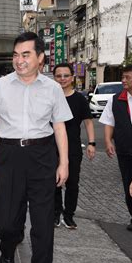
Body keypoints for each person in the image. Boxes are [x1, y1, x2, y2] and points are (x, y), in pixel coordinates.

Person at [0, 32, 72, 263]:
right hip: (9, 154)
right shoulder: (0, 85)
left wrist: (63, 163)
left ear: (40, 58)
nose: (19, 60)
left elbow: (60, 127)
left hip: (42, 155)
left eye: (26, 54)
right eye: (16, 55)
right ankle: (7, 247)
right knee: (7, 221)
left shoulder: (53, 88)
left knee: (42, 224)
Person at [99, 64, 132, 232]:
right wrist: (108, 141)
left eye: (128, 78)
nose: (123, 80)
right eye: (123, 77)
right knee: (128, 183)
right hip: (124, 149)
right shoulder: (116, 99)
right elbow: (109, 122)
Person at [53, 63, 96, 229]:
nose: (62, 79)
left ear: (72, 77)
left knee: (72, 183)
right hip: (51, 147)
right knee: (53, 183)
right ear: (54, 78)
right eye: (58, 76)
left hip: (73, 148)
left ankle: (69, 215)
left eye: (66, 75)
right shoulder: (50, 97)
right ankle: (55, 214)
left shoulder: (79, 99)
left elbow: (88, 122)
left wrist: (91, 143)